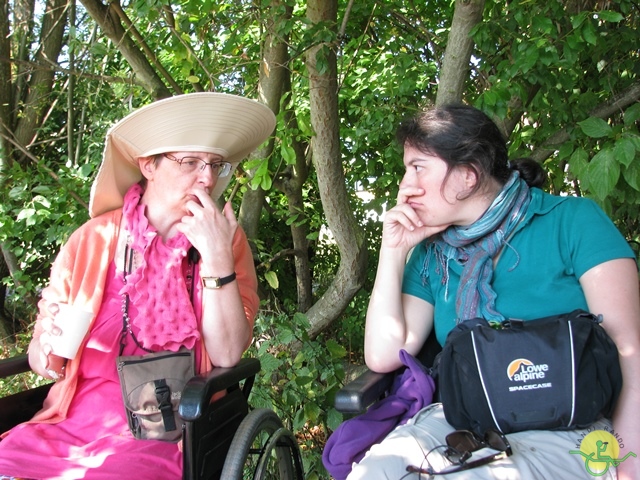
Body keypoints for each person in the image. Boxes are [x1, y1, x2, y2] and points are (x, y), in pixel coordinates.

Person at [347, 104, 640, 479]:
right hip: (460, 424)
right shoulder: (430, 253)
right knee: (375, 472)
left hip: (572, 426)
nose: (405, 186)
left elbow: (627, 347)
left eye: (418, 167)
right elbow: (384, 354)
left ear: (468, 175)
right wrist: (393, 252)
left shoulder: (573, 222)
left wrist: (627, 459)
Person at [0, 92, 276, 479]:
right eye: (191, 162)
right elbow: (42, 356)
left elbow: (229, 354)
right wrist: (46, 350)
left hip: (171, 429)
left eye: (215, 165)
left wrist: (216, 256)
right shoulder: (91, 240)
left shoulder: (227, 240)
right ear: (148, 165)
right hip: (76, 419)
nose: (209, 178)